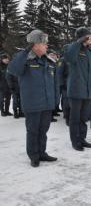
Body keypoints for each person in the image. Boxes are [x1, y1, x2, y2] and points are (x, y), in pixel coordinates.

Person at [8, 30, 59, 167]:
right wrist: (26, 52)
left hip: (47, 104)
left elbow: (54, 83)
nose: (47, 46)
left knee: (43, 131)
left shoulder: (48, 61)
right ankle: (34, 155)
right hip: (32, 104)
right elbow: (13, 70)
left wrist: (54, 101)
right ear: (35, 45)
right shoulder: (25, 60)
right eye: (44, 43)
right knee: (33, 131)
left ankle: (42, 153)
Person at [64, 27, 91, 151]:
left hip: (87, 91)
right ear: (84, 37)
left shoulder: (88, 51)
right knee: (75, 118)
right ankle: (75, 141)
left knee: (84, 118)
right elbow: (69, 58)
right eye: (89, 36)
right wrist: (78, 42)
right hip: (76, 90)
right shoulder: (72, 48)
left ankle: (82, 139)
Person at [0, 52, 12, 117]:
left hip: (9, 85)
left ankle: (7, 111)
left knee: (8, 99)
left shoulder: (10, 66)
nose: (7, 60)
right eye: (5, 58)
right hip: (1, 86)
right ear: (2, 59)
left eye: (7, 58)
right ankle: (2, 111)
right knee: (1, 100)